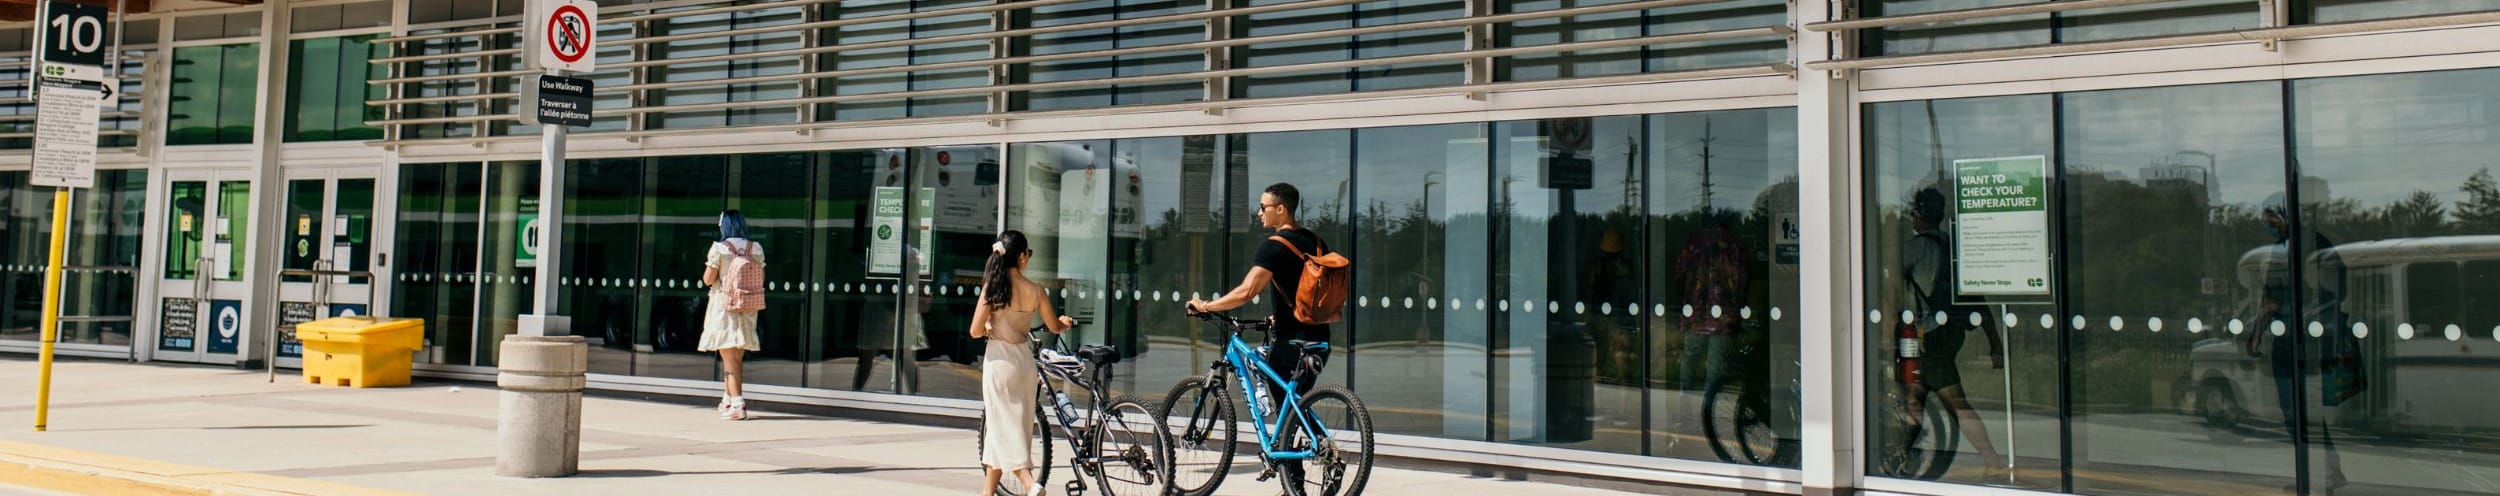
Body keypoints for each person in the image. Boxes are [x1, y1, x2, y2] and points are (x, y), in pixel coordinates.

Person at [1185, 182, 1333, 485]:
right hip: (1319, 340)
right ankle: (1315, 463)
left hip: (1291, 342)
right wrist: (1276, 316)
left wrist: (1207, 306)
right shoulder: (1317, 242)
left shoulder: (1274, 245)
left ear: (1281, 209)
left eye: (1263, 207)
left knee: (1287, 411)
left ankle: (1295, 479)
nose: (1259, 212)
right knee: (1294, 405)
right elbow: (1305, 292)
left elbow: (1247, 290)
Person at [2243, 193, 2350, 494]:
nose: (2271, 229)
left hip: (2296, 343)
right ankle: (2325, 471)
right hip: (2312, 340)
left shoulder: (2289, 250)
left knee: (2295, 412)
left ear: (2285, 216)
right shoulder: (2311, 244)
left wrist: (2256, 334)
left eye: (2273, 222)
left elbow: (2270, 302)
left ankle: (2317, 471)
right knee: (2305, 412)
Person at [1900, 188, 2006, 474]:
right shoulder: (1954, 251)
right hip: (1952, 334)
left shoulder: (1912, 249)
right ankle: (1900, 457)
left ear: (1918, 215)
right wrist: (1994, 343)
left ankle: (1992, 460)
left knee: (1955, 403)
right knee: (1915, 395)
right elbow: (1978, 302)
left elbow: (1890, 296)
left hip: (1928, 339)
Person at [973, 230, 1077, 496]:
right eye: (1028, 253)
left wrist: (988, 327)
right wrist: (1064, 325)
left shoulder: (992, 288)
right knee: (1008, 427)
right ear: (1020, 257)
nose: (1028, 258)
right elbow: (1054, 326)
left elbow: (974, 331)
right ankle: (987, 493)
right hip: (1023, 363)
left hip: (999, 362)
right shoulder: (1036, 290)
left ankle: (1030, 484)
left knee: (1001, 427)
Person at [700, 210, 763, 421]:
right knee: (737, 355)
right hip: (747, 306)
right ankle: (728, 398)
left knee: (728, 356)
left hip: (724, 306)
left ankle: (737, 403)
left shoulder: (719, 249)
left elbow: (708, 279)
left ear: (725, 225)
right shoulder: (755, 247)